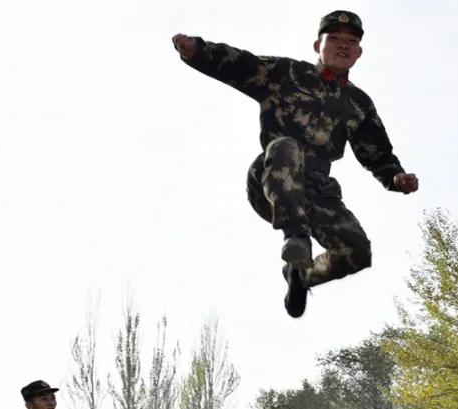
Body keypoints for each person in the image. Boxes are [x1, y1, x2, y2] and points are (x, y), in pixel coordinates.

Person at [172, 10, 419, 318]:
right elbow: (242, 64)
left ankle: (301, 275)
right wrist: (197, 50)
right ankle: (295, 236)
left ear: (359, 52)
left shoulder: (358, 103)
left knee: (357, 251)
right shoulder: (286, 74)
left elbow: (377, 153)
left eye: (351, 42)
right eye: (334, 39)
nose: (343, 46)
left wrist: (396, 178)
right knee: (286, 145)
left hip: (317, 191)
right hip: (272, 179)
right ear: (318, 46)